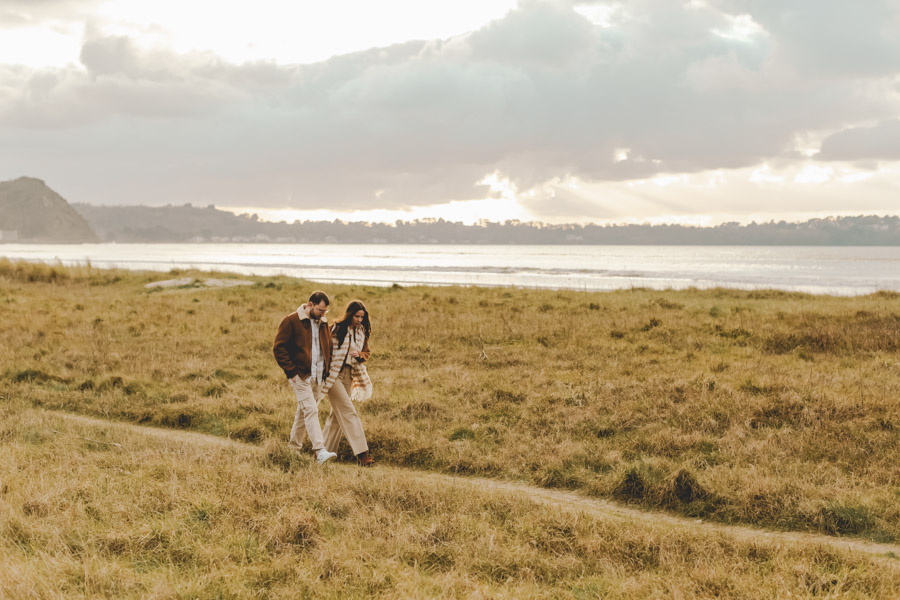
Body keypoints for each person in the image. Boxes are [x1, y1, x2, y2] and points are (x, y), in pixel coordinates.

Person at [273, 291, 338, 464]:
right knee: (311, 410)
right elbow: (279, 349)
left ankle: (293, 449)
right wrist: (291, 373)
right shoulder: (291, 321)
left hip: (318, 376)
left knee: (303, 413)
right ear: (310, 305)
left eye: (325, 312)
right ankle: (319, 450)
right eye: (320, 310)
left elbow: (328, 347)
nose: (323, 315)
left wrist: (327, 370)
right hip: (300, 376)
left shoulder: (323, 323)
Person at [318, 300, 375, 466]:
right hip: (332, 374)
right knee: (349, 411)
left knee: (336, 415)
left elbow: (366, 353)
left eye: (361, 317)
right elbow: (323, 347)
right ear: (350, 314)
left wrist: (360, 355)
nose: (359, 320)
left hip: (350, 374)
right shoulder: (336, 328)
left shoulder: (361, 332)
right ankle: (362, 454)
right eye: (356, 316)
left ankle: (321, 452)